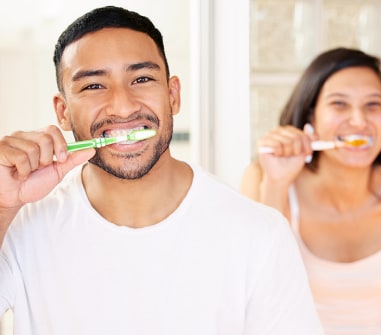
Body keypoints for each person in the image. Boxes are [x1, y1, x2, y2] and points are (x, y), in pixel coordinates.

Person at [0, 6, 323, 335]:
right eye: (94, 86)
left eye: (141, 79)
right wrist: (2, 204)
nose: (123, 106)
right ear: (63, 112)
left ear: (173, 95)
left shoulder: (260, 235)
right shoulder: (19, 226)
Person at [241, 47, 381, 334]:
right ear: (311, 115)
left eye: (373, 105)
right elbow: (253, 297)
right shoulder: (262, 178)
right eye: (339, 104)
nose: (360, 121)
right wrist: (277, 183)